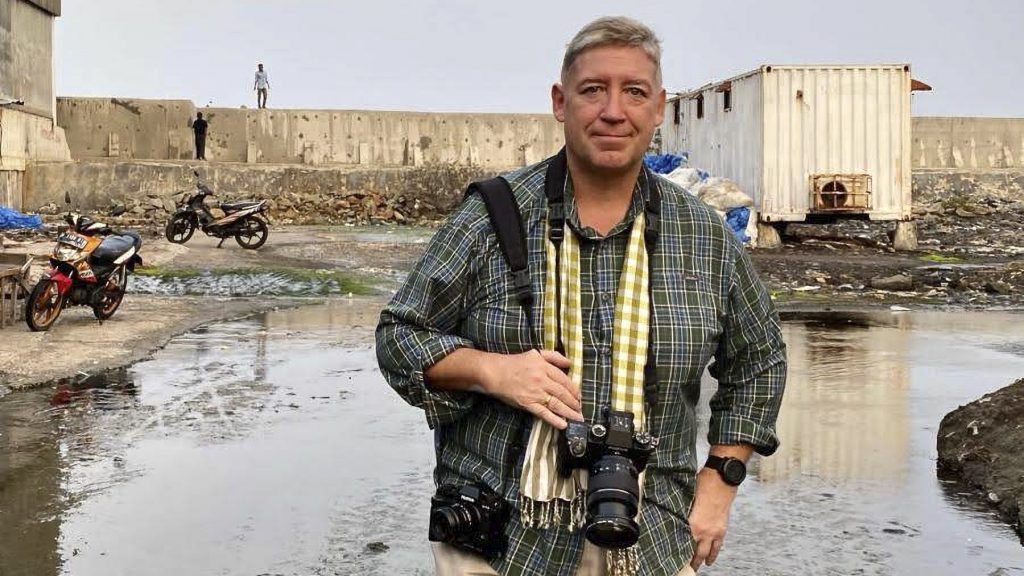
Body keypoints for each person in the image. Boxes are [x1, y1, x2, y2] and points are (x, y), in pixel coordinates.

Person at [376, 15, 786, 576]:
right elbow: (399, 335)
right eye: (593, 90)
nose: (613, 111)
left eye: (634, 92)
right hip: (500, 541)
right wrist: (491, 371)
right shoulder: (493, 216)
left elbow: (759, 359)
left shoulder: (703, 234)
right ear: (560, 101)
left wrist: (719, 483)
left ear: (658, 107)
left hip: (654, 538)